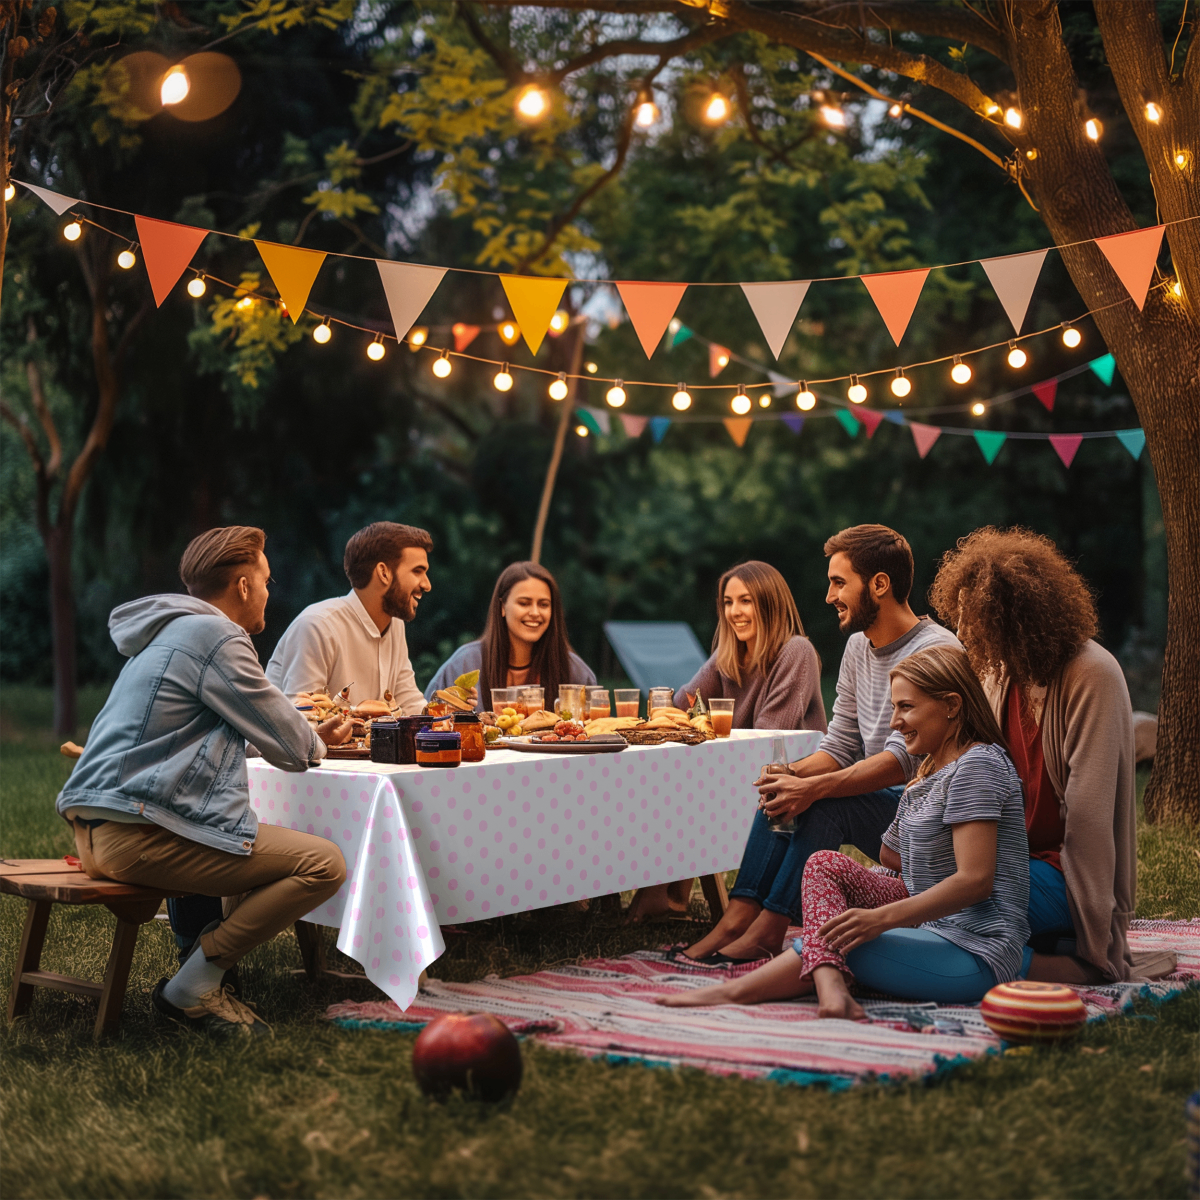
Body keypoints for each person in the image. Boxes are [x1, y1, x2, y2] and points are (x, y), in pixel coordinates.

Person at [57, 527, 351, 1036]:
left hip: (97, 828)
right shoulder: (218, 637)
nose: (268, 590)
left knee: (219, 824)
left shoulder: (169, 632)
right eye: (265, 579)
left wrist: (299, 735)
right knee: (324, 864)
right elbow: (296, 749)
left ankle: (204, 967)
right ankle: (195, 982)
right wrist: (315, 738)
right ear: (241, 586)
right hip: (137, 837)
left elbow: (209, 736)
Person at [661, 646, 1030, 1013]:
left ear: (952, 704)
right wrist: (853, 886)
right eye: (894, 708)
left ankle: (761, 992)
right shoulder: (929, 770)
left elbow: (974, 881)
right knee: (823, 864)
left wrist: (877, 918)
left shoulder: (977, 766)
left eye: (906, 707)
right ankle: (821, 985)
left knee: (837, 937)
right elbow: (892, 858)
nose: (894, 723)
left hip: (974, 949)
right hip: (930, 924)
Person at [682, 524, 959, 963]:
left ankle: (769, 928)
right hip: (888, 813)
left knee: (823, 802)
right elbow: (841, 746)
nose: (829, 596)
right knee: (783, 786)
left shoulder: (935, 650)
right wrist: (792, 775)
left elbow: (904, 762)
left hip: (932, 823)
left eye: (838, 582)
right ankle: (740, 913)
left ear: (879, 584)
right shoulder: (856, 648)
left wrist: (814, 787)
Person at [929, 527, 1158, 984]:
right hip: (1003, 859)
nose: (961, 632)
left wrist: (1101, 938)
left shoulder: (1092, 674)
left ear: (1009, 618)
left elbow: (1090, 822)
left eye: (970, 619)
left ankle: (1058, 967)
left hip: (1061, 873)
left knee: (938, 909)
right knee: (912, 894)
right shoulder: (999, 674)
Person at [625, 560, 827, 924]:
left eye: (746, 601)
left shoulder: (796, 652)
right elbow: (679, 705)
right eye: (728, 602)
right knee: (655, 778)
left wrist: (703, 725)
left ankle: (667, 892)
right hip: (734, 769)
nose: (735, 611)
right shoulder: (729, 654)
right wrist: (689, 711)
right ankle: (664, 890)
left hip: (782, 781)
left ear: (769, 604)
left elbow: (769, 736)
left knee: (679, 782)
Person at [267, 522, 431, 713]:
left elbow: (408, 701)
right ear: (384, 573)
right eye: (417, 571)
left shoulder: (395, 624)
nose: (427, 585)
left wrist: (448, 718)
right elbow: (301, 722)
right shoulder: (317, 626)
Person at [424, 561, 595, 710]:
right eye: (524, 603)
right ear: (502, 607)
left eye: (543, 604)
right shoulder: (464, 664)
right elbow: (426, 719)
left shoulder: (575, 673)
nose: (535, 612)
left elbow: (598, 735)